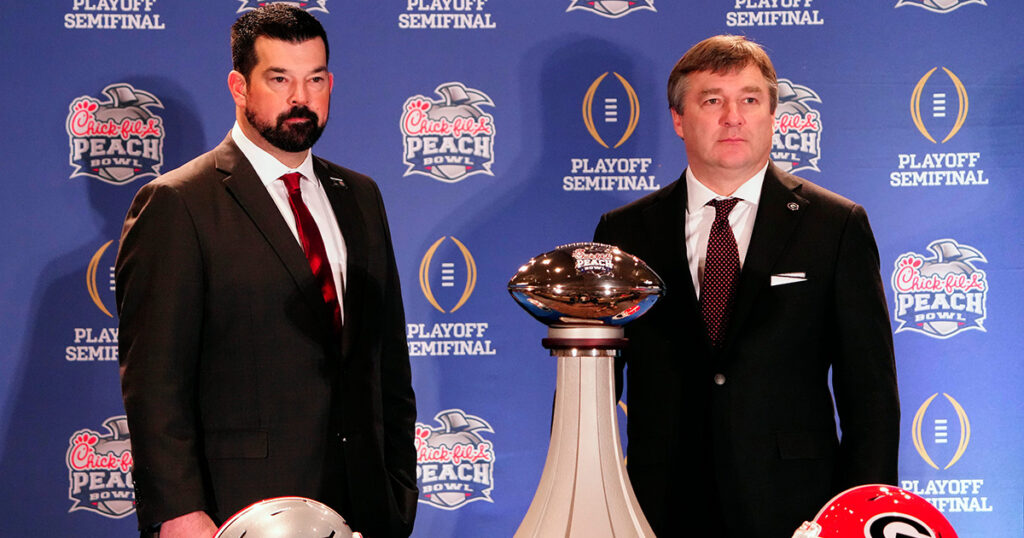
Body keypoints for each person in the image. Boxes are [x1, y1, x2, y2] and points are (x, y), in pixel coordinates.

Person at [115, 5, 416, 537]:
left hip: (364, 506)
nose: (301, 98)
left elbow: (387, 358)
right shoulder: (177, 203)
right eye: (279, 79)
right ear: (239, 85)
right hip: (238, 511)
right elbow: (155, 383)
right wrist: (180, 512)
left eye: (315, 79)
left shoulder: (361, 195)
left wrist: (397, 488)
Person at [593, 35, 899, 537]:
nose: (733, 116)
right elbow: (598, 387)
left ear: (773, 115)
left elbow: (871, 398)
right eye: (712, 100)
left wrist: (865, 519)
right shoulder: (624, 233)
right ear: (678, 119)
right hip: (659, 506)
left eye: (750, 100)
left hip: (798, 509)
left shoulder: (835, 225)